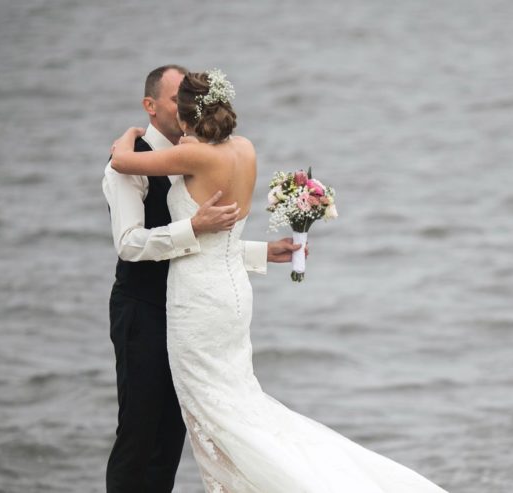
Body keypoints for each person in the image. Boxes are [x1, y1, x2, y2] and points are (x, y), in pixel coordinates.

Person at [111, 69, 449, 493]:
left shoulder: (192, 156)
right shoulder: (244, 150)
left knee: (212, 419)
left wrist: (125, 134)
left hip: (196, 303)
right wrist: (265, 251)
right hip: (229, 294)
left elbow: (122, 161)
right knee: (232, 407)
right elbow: (215, 239)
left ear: (184, 117)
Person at [102, 65, 303, 493]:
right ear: (150, 107)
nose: (183, 108)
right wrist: (193, 227)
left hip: (191, 313)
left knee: (172, 441)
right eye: (175, 99)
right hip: (144, 311)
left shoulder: (197, 152)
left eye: (186, 99)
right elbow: (129, 244)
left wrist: (261, 252)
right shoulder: (131, 164)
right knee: (138, 435)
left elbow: (210, 247)